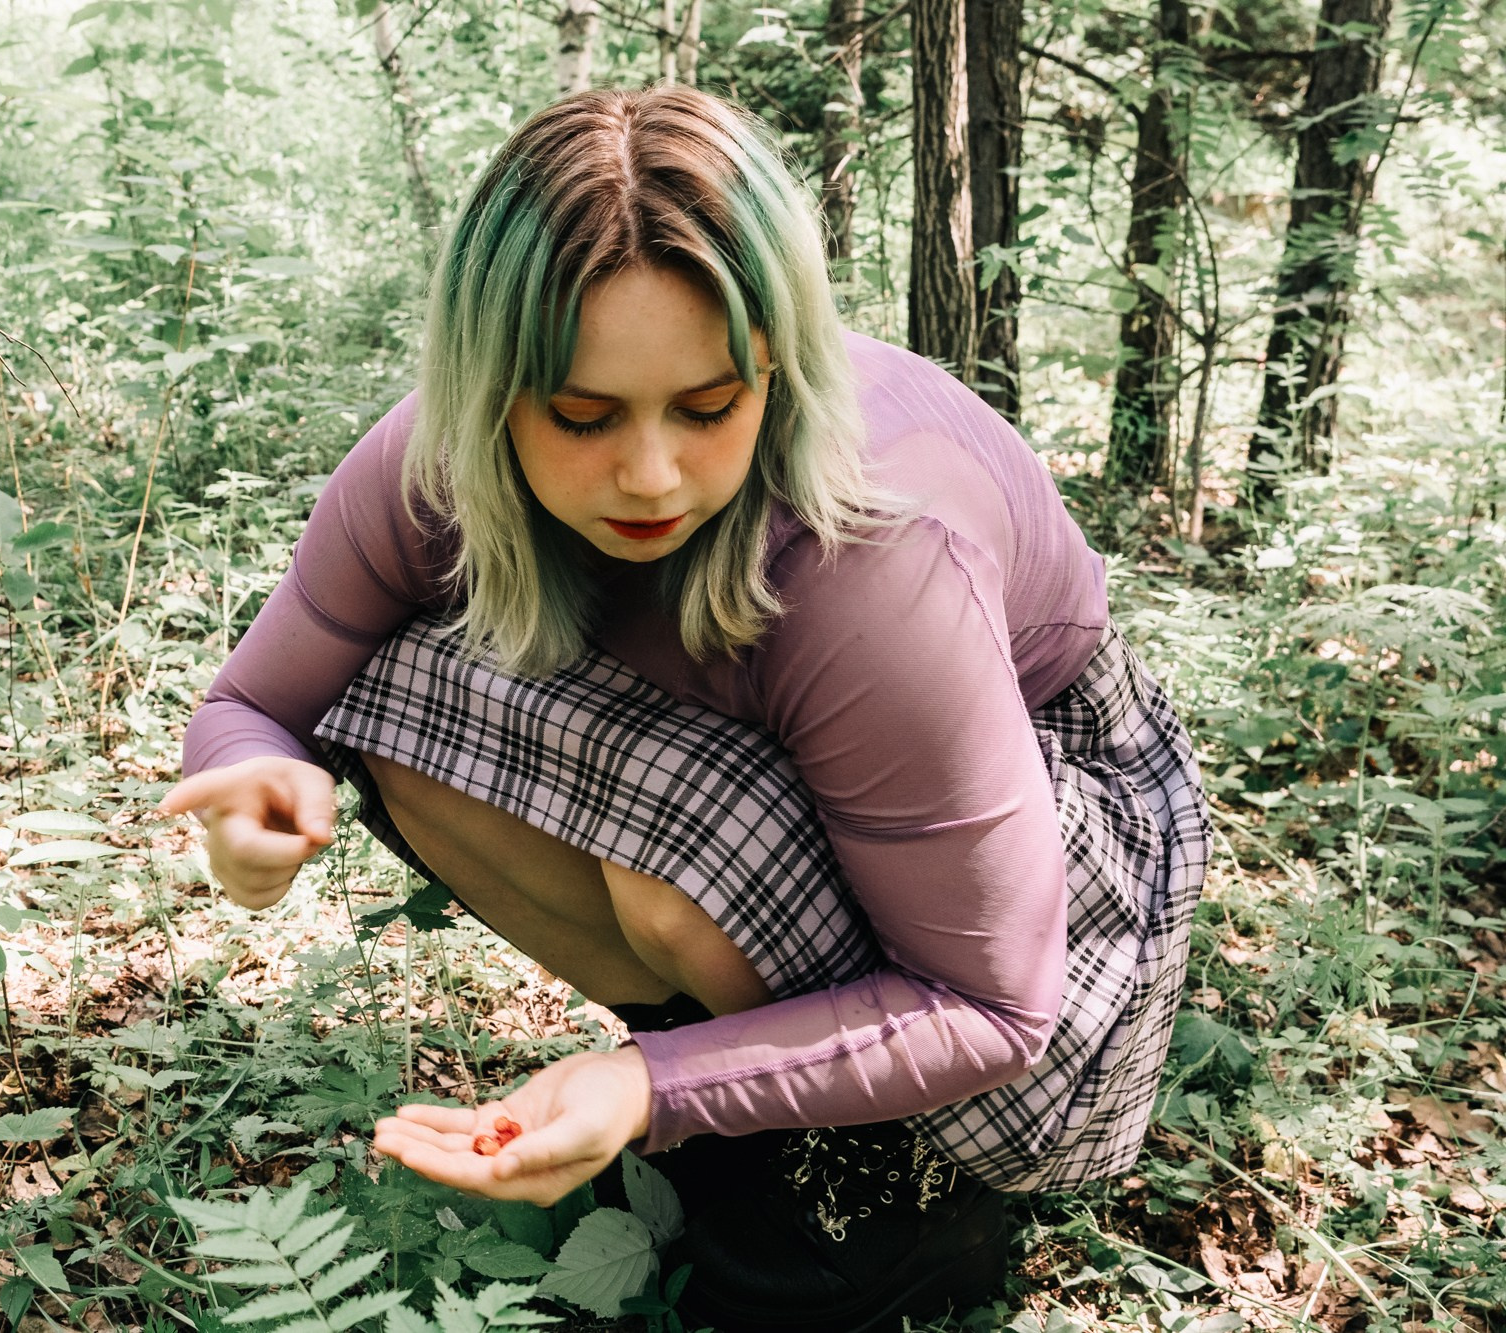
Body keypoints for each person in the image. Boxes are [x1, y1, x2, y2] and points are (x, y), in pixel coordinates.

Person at [160, 85, 1212, 1333]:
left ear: (777, 367)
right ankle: (744, 1104)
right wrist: (249, 806)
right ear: (486, 389)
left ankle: (893, 1191)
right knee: (389, 689)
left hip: (1043, 841)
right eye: (581, 415)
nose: (650, 475)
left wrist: (641, 1085)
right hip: (787, 781)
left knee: (678, 881)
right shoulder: (428, 465)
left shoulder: (873, 561)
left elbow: (995, 1004)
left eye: (710, 407)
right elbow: (257, 702)